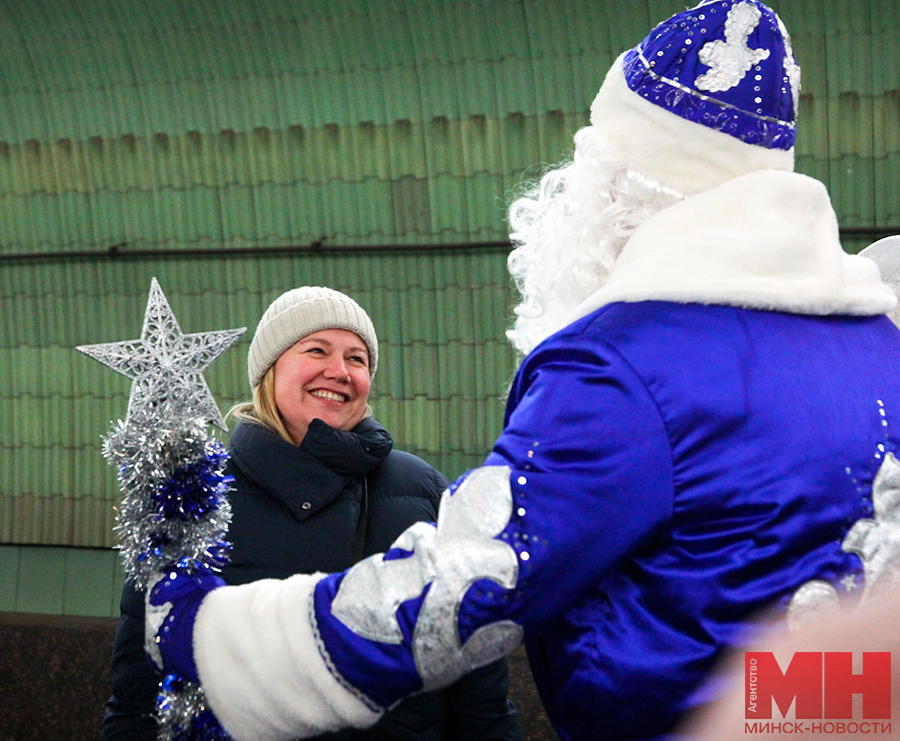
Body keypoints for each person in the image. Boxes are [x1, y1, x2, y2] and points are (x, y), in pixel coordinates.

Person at [146, 2, 900, 741]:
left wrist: (216, 638)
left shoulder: (625, 364)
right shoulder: (877, 335)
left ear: (627, 182)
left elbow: (465, 584)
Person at [101, 286, 522, 741]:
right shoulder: (193, 496)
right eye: (316, 350)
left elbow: (478, 692)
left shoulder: (422, 492)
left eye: (357, 359)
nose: (339, 371)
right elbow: (138, 697)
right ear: (269, 370)